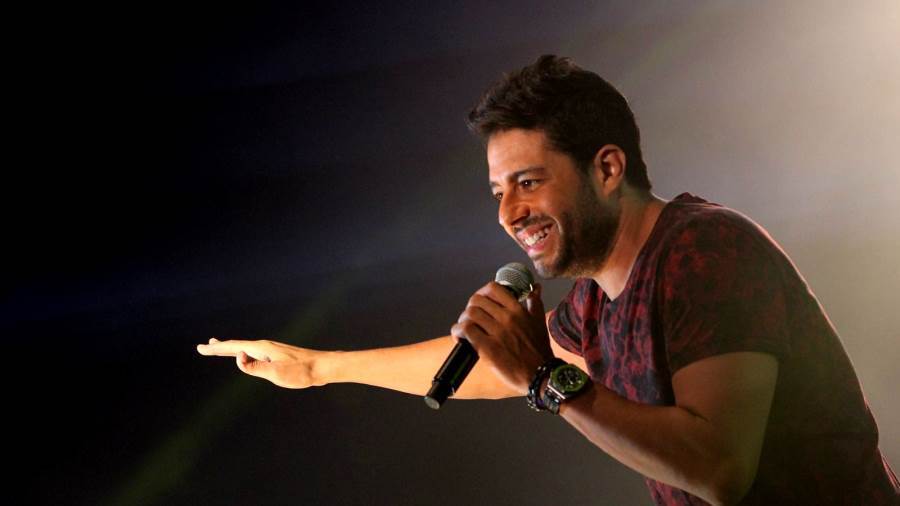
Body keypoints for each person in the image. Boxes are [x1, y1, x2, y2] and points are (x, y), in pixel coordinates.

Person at [197, 55, 899, 505]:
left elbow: (720, 468)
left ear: (608, 168)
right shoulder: (595, 303)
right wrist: (319, 367)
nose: (509, 213)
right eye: (498, 191)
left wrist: (543, 378)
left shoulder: (705, 252)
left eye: (528, 183)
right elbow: (493, 368)